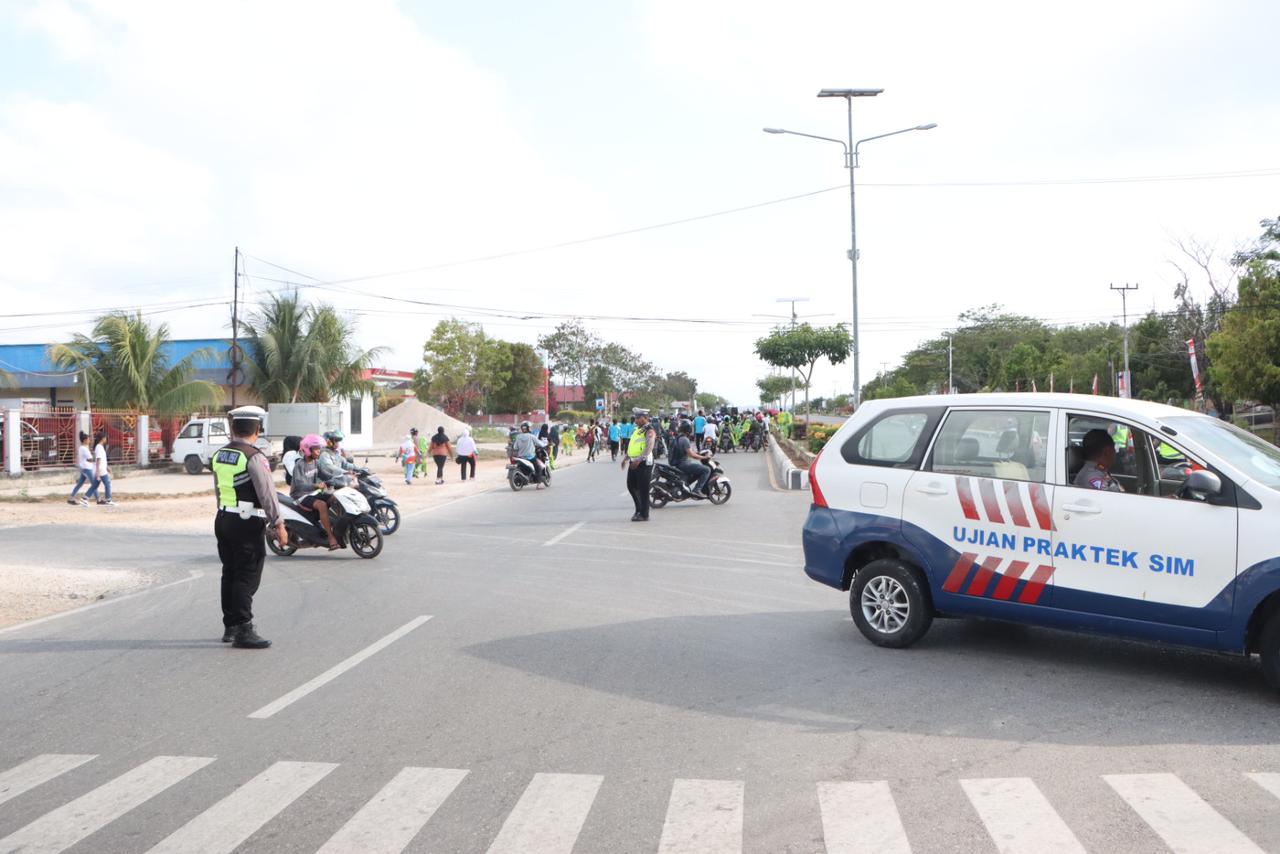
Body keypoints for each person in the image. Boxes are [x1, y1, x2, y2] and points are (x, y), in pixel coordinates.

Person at [212, 406, 285, 649]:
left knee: (230, 572)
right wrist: (278, 523)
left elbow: (218, 489)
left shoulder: (220, 454)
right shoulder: (254, 456)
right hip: (246, 522)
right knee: (246, 574)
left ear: (233, 428)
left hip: (223, 518)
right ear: (257, 430)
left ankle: (231, 626)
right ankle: (244, 628)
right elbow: (267, 493)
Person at [292, 433, 342, 550]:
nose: (319, 451)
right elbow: (299, 485)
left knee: (335, 497)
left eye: (319, 448)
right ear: (307, 449)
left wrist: (342, 477)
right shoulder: (300, 465)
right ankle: (330, 537)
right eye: (316, 449)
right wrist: (316, 486)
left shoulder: (315, 463)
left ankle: (336, 527)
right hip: (300, 496)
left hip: (313, 494)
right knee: (322, 504)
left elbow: (326, 475)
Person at [622, 408, 656, 521]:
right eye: (635, 418)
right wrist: (626, 458)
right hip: (634, 461)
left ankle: (644, 514)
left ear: (645, 418)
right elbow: (633, 446)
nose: (636, 420)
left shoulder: (649, 430)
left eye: (638, 418)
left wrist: (639, 460)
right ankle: (638, 509)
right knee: (631, 486)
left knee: (643, 489)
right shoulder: (637, 430)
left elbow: (649, 446)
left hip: (644, 463)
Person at [1074, 428, 1124, 492]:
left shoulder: (1100, 470)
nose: (1115, 453)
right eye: (1114, 449)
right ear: (1107, 451)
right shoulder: (1092, 476)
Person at [671, 421, 713, 497]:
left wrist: (698, 453)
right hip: (683, 464)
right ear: (688, 431)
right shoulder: (684, 439)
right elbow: (691, 454)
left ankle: (686, 485)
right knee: (706, 470)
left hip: (677, 463)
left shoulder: (678, 438)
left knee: (698, 469)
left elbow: (689, 451)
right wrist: (704, 457)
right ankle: (697, 490)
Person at [511, 420, 548, 485]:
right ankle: (538, 483)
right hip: (530, 457)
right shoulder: (532, 436)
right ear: (528, 428)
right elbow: (540, 444)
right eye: (530, 427)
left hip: (521, 457)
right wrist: (546, 443)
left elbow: (515, 447)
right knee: (539, 467)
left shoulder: (518, 437)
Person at [83, 431, 114, 506]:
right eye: (105, 438)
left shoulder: (99, 447)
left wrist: (107, 467)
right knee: (107, 483)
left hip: (101, 468)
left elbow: (102, 459)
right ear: (102, 438)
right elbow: (98, 459)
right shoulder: (99, 447)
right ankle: (108, 500)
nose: (106, 439)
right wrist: (97, 471)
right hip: (101, 469)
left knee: (95, 485)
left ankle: (84, 499)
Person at [67, 431, 95, 506]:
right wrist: (93, 459)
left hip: (84, 467)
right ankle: (97, 499)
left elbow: (89, 458)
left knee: (79, 484)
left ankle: (71, 498)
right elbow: (90, 459)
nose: (89, 441)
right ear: (85, 440)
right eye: (88, 439)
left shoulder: (82, 448)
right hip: (87, 468)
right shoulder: (84, 449)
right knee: (94, 484)